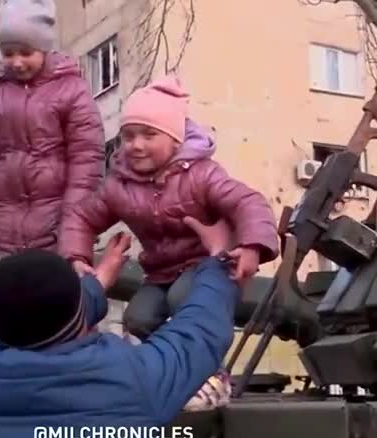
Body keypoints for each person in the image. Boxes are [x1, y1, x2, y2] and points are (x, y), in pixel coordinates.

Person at [0, 218, 239, 438]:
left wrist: (98, 282)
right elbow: (199, 331)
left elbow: (46, 323)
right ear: (78, 315)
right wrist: (218, 258)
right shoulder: (130, 377)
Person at [60, 74, 280, 342]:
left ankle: (210, 366)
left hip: (206, 267)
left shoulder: (200, 175)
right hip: (159, 274)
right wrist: (76, 257)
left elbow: (248, 202)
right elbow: (82, 217)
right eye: (128, 136)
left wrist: (251, 247)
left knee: (182, 299)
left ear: (175, 140)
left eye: (149, 135)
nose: (137, 145)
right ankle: (169, 365)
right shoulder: (120, 185)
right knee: (138, 318)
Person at [0, 0, 104, 262]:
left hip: (54, 230)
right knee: (8, 298)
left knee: (52, 298)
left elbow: (86, 165)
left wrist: (74, 234)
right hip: (6, 232)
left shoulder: (72, 91)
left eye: (25, 53)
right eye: (8, 53)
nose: (16, 62)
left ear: (44, 48)